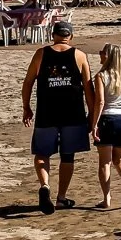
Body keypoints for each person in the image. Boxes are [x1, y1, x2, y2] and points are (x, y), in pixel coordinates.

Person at [20, 20, 92, 214]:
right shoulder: (80, 55)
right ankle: (61, 197)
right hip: (73, 112)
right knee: (68, 155)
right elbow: (88, 88)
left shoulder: (41, 54)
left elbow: (28, 83)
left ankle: (45, 185)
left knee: (42, 153)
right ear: (71, 36)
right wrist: (92, 115)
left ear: (53, 35)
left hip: (46, 111)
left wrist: (26, 107)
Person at [88, 43, 121, 209]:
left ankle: (106, 198)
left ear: (108, 56)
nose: (100, 55)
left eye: (102, 52)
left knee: (105, 162)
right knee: (120, 158)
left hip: (107, 119)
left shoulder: (101, 76)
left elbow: (100, 102)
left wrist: (94, 124)